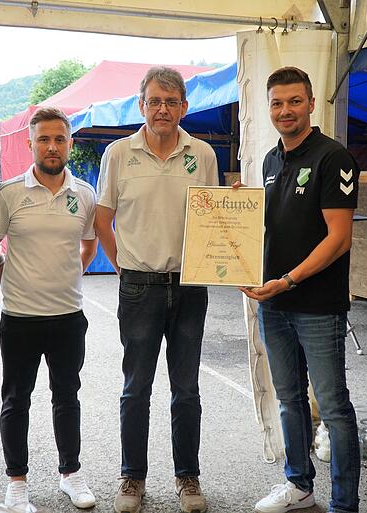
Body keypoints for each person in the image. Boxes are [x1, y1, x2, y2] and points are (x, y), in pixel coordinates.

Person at [94, 66, 219, 513]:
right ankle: (133, 478)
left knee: (186, 389)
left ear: (184, 106)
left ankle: (188, 477)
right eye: (154, 101)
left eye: (171, 101)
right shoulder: (117, 154)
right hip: (139, 287)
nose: (162, 108)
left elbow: (214, 219)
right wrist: (125, 268)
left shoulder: (202, 154)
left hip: (190, 286)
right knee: (136, 388)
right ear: (141, 105)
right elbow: (101, 220)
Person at [240, 67, 360, 513]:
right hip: (275, 304)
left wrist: (289, 279)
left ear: (311, 104)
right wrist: (237, 209)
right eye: (276, 103)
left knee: (332, 406)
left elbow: (339, 237)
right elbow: (272, 227)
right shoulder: (272, 161)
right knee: (289, 399)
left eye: (294, 101)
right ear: (268, 108)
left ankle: (345, 504)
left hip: (316, 305)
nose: (285, 110)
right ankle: (299, 485)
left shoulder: (333, 158)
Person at [0, 107, 97, 511]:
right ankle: (17, 481)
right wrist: (6, 276)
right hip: (20, 318)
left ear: (70, 143)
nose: (52, 146)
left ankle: (71, 474)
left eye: (59, 139)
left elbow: (88, 243)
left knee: (67, 396)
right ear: (30, 144)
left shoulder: (84, 193)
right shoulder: (10, 193)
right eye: (44, 139)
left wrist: (71, 274)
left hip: (69, 315)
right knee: (16, 399)